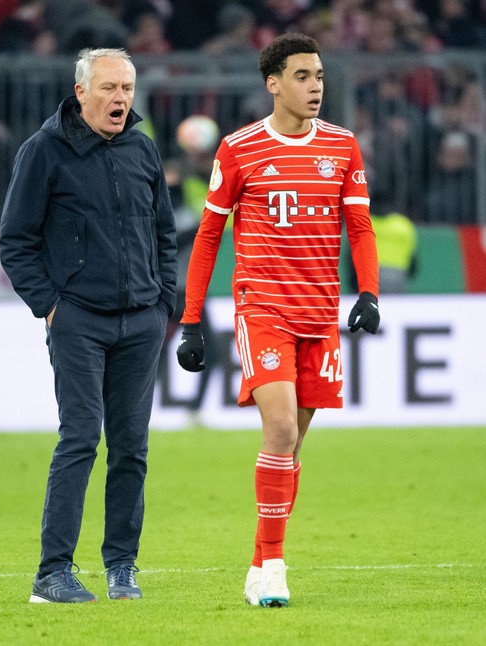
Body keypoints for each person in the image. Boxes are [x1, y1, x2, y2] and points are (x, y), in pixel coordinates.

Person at [176, 32, 379, 608]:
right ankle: (276, 569)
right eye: (301, 77)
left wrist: (368, 291)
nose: (315, 87)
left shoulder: (342, 146)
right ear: (273, 84)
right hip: (262, 307)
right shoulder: (239, 149)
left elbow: (360, 228)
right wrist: (192, 319)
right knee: (282, 429)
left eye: (319, 76)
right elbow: (209, 235)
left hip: (320, 313)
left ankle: (259, 561)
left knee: (289, 449)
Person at [0, 47, 177, 603]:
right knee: (80, 438)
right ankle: (53, 572)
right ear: (81, 92)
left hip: (141, 320)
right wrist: (51, 307)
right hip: (78, 319)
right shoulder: (44, 151)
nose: (120, 98)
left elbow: (166, 236)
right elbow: (15, 241)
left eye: (126, 88)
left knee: (132, 447)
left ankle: (122, 567)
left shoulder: (143, 150)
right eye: (108, 88)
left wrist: (163, 302)